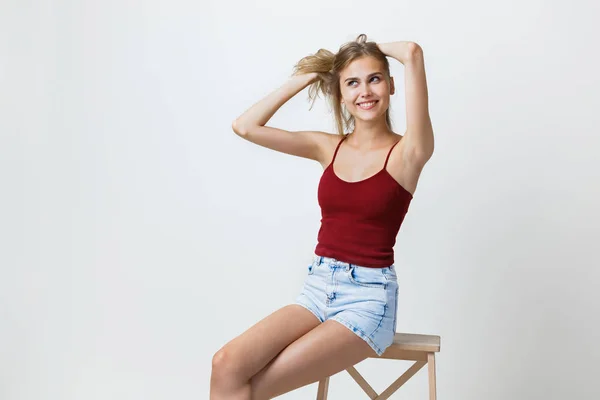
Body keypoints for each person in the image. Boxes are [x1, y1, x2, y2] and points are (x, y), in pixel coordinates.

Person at [211, 34, 434, 400]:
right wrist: (311, 75)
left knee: (250, 388)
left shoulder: (409, 151)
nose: (365, 91)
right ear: (340, 94)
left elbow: (412, 53)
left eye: (375, 78)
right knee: (226, 365)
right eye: (352, 82)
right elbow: (245, 126)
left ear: (392, 85)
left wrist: (377, 47)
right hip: (317, 289)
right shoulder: (327, 146)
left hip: (368, 300)